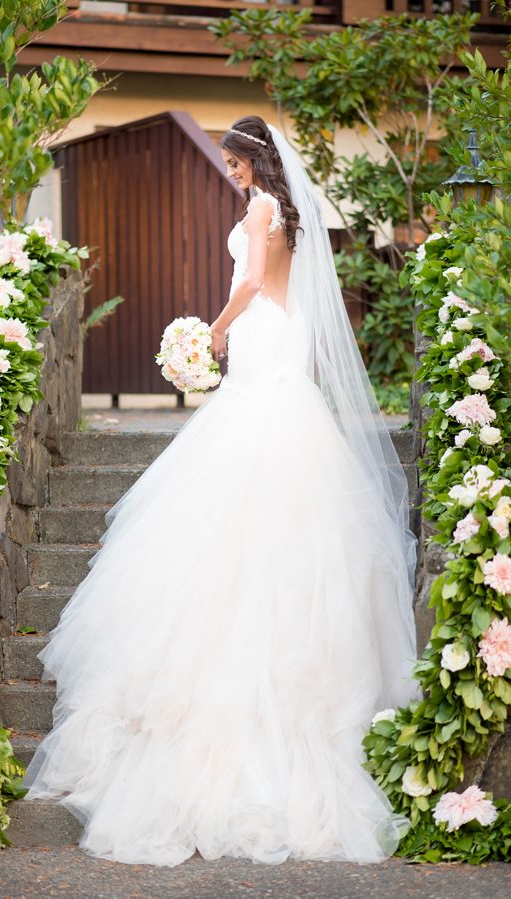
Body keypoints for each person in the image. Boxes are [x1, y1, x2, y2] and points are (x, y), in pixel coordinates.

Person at [23, 115, 420, 866]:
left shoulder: (265, 208)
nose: (230, 172)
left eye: (235, 161)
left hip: (265, 333)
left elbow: (255, 281)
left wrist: (213, 328)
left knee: (252, 464)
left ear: (254, 159)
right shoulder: (275, 207)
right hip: (275, 337)